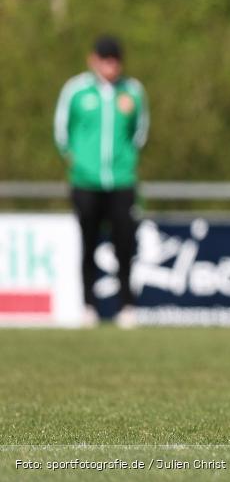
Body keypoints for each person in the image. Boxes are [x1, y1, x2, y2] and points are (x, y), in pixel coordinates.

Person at [54, 36, 149, 329]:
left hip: (121, 181)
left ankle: (127, 307)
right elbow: (62, 131)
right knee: (89, 243)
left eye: (115, 59)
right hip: (85, 181)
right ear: (93, 59)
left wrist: (125, 162)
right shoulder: (76, 90)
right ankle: (88, 307)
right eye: (105, 59)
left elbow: (140, 133)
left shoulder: (132, 91)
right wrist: (77, 161)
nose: (110, 65)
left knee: (124, 245)